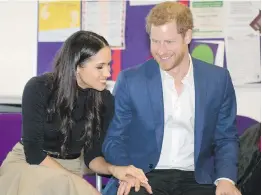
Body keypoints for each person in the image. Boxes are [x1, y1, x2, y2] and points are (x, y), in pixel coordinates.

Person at [102, 2, 241, 195]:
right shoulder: (131, 80)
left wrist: (226, 179)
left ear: (187, 36)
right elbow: (114, 139)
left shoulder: (218, 80)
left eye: (169, 42)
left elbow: (226, 138)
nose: (161, 50)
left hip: (197, 178)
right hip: (145, 175)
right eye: (155, 41)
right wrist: (127, 170)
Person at [0, 30, 148, 195]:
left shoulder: (104, 100)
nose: (107, 73)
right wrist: (75, 182)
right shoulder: (38, 88)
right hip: (29, 165)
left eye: (108, 65)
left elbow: (92, 158)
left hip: (69, 169)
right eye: (100, 67)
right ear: (77, 66)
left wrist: (115, 169)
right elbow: (33, 153)